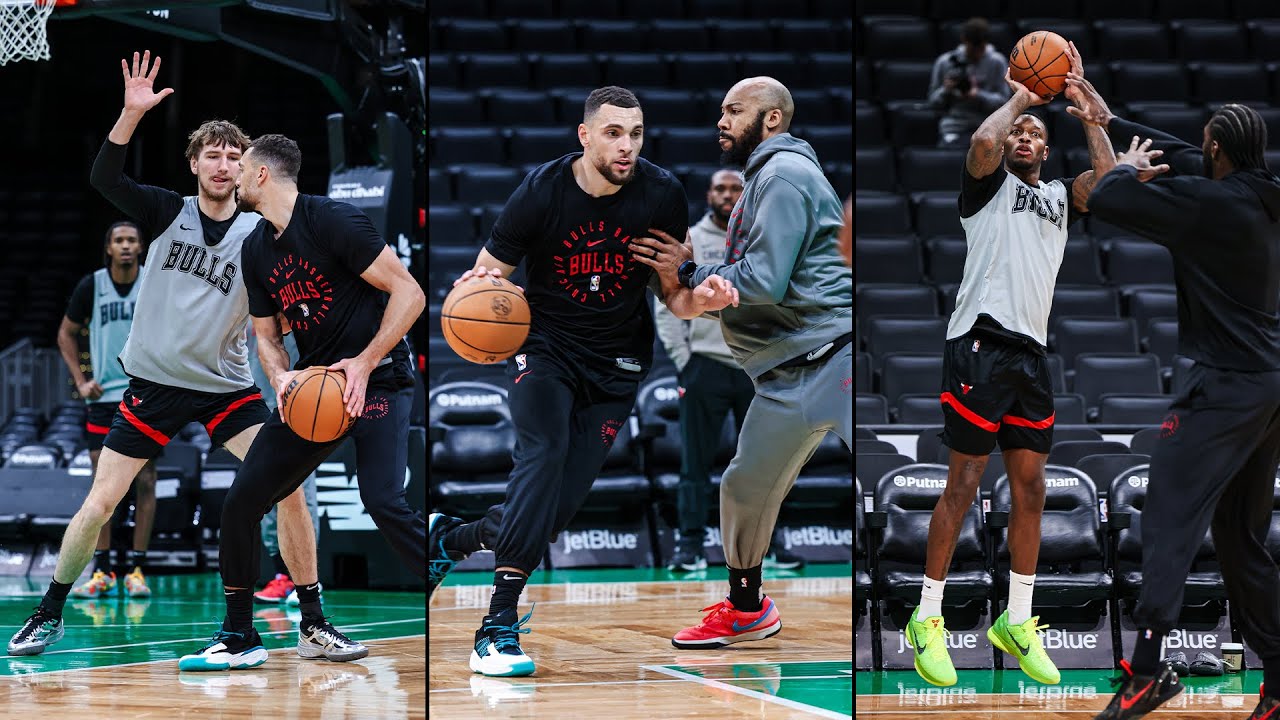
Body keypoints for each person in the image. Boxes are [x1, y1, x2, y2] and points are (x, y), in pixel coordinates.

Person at [7, 51, 319, 662]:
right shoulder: (165, 211)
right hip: (152, 384)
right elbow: (104, 178)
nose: (224, 163)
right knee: (100, 502)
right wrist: (129, 115)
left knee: (291, 488)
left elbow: (288, 300)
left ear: (248, 166)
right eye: (213, 154)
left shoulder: (262, 235)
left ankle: (312, 618)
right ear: (194, 163)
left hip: (226, 388)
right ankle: (47, 613)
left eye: (235, 155)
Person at [425, 85, 740, 678]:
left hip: (618, 364)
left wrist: (706, 297)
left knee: (552, 512)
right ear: (586, 135)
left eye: (637, 134)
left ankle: (453, 537)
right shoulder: (542, 191)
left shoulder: (661, 193)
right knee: (540, 459)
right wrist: (489, 294)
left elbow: (674, 297)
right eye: (615, 133)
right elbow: (488, 272)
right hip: (544, 352)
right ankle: (496, 625)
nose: (627, 147)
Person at [1066, 72, 1280, 720]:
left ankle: (1148, 670)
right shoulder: (1260, 192)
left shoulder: (1208, 208)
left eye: (1205, 146)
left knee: (1166, 519)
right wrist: (1105, 113)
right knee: (1240, 541)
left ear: (1218, 151)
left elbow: (1108, 193)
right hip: (1267, 386)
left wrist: (1110, 154)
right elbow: (1179, 156)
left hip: (1221, 387)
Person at [904, 43, 1113, 688]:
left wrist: (1089, 119)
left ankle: (1017, 620)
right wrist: (1024, 96)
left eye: (1035, 134)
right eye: (1020, 130)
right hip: (979, 343)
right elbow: (980, 140)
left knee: (1032, 491)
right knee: (962, 486)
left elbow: (1105, 182)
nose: (1024, 135)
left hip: (1030, 355)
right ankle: (926, 619)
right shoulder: (987, 190)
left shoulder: (1057, 196)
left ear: (1046, 150)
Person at [182, 131, 426, 671]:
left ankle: (450, 562)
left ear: (262, 174)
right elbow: (265, 335)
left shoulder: (333, 221)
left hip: (379, 381)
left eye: (241, 167)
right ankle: (251, 634)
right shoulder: (256, 249)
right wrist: (283, 376)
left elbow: (410, 293)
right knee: (241, 505)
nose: (234, 176)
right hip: (316, 390)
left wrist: (362, 363)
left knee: (383, 501)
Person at [626, 76, 850, 651]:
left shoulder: (782, 175)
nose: (720, 120)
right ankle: (748, 609)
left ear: (771, 119)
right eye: (721, 110)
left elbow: (765, 283)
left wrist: (690, 270)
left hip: (836, 356)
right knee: (744, 486)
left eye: (734, 110)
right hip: (783, 372)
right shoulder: (764, 178)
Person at [654, 168, 805, 573]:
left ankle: (770, 545)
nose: (727, 193)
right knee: (695, 464)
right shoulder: (690, 239)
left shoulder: (763, 238)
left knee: (766, 462)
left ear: (745, 195)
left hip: (757, 366)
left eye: (735, 188)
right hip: (705, 366)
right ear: (709, 194)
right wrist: (685, 361)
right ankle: (689, 547)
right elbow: (666, 301)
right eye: (720, 188)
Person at [55, 220, 157, 600]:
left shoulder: (153, 280)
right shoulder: (92, 285)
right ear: (109, 248)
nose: (126, 245)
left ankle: (137, 569)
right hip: (102, 399)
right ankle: (102, 571)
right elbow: (66, 333)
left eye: (132, 240)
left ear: (141, 247)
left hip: (145, 396)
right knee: (103, 487)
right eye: (119, 240)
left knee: (146, 482)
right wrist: (81, 380)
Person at [246, 321, 321, 608]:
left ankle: (307, 579)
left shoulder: (299, 291)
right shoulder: (248, 290)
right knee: (266, 488)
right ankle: (283, 574)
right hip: (257, 398)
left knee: (299, 488)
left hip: (302, 397)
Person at [927, 17, 1011, 147]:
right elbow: (933, 102)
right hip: (954, 127)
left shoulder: (997, 62)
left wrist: (977, 94)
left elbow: (1005, 103)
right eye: (973, 49)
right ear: (964, 41)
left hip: (988, 126)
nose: (977, 54)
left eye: (981, 49)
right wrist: (946, 90)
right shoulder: (945, 62)